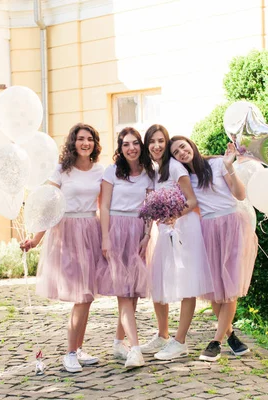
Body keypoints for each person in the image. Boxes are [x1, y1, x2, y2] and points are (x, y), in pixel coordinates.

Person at [20, 123, 104, 373]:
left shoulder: (101, 171)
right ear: (73, 143)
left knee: (87, 296)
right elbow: (48, 205)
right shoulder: (61, 171)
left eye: (90, 139)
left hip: (91, 229)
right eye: (80, 139)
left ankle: (78, 348)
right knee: (80, 295)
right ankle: (69, 353)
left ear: (95, 143)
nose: (85, 143)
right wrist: (35, 239)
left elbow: (106, 203)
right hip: (67, 232)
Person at [169, 135, 257, 361]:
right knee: (216, 289)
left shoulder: (218, 164)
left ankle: (215, 342)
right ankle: (232, 338)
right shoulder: (186, 177)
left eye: (183, 147)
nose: (181, 153)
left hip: (231, 224)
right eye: (176, 152)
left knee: (229, 286)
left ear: (191, 145)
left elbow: (240, 195)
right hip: (207, 229)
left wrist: (230, 167)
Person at [139, 124, 214, 360]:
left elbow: (192, 201)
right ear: (147, 145)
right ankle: (162, 335)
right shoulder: (153, 170)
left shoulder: (174, 166)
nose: (157, 145)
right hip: (165, 230)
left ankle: (180, 341)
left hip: (184, 228)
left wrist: (173, 216)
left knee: (186, 281)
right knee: (160, 281)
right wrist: (149, 233)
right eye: (152, 141)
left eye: (161, 140)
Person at [97, 127, 155, 368]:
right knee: (123, 292)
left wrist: (147, 234)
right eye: (125, 144)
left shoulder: (149, 174)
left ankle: (118, 342)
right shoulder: (111, 172)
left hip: (138, 231)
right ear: (120, 149)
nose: (131, 148)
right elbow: (105, 207)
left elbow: (150, 207)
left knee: (133, 293)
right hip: (116, 230)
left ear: (140, 146)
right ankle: (135, 349)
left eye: (135, 143)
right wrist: (105, 238)